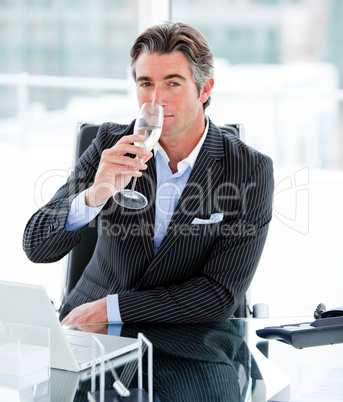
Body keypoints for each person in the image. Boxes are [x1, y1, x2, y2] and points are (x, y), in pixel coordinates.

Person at [23, 22, 274, 325]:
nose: (156, 100)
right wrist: (94, 195)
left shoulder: (250, 169)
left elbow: (219, 295)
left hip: (188, 343)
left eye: (172, 83)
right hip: (88, 330)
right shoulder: (109, 144)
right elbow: (37, 246)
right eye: (146, 84)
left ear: (205, 89)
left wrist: (113, 310)